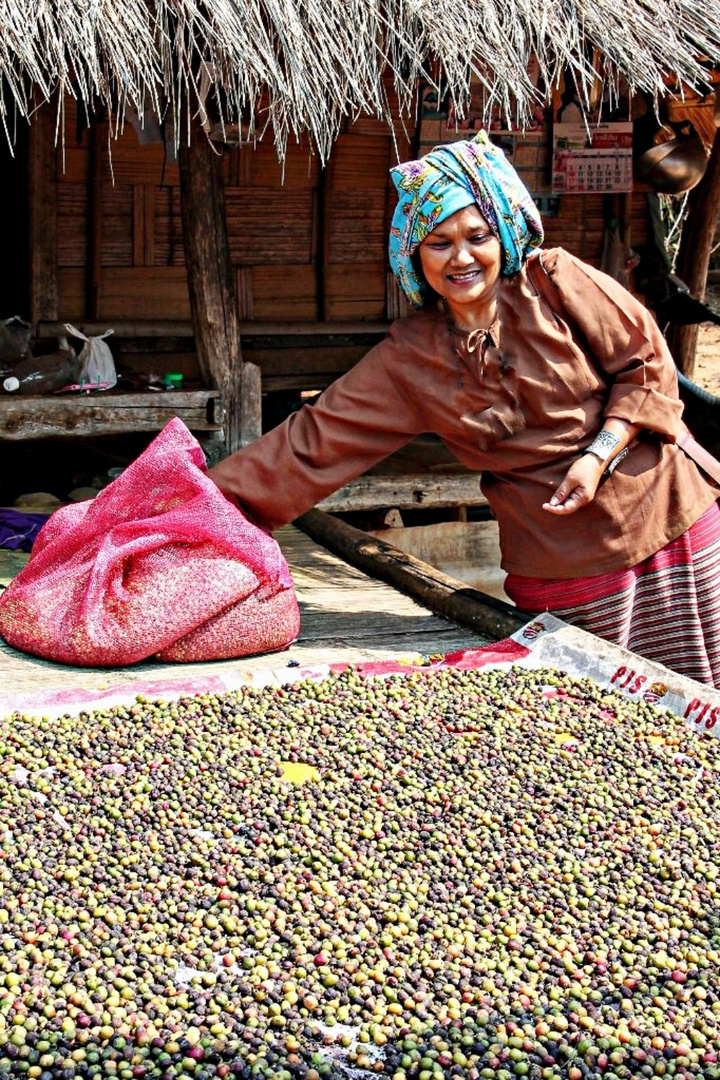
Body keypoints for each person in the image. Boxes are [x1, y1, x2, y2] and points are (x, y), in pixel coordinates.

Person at [209, 132, 720, 686]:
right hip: (562, 565)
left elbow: (645, 363)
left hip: (674, 528)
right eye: (438, 242)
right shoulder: (411, 356)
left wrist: (598, 453)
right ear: (413, 254)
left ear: (502, 233)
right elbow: (309, 445)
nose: (461, 257)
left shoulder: (554, 281)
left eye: (477, 236)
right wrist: (191, 506)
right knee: (595, 719)